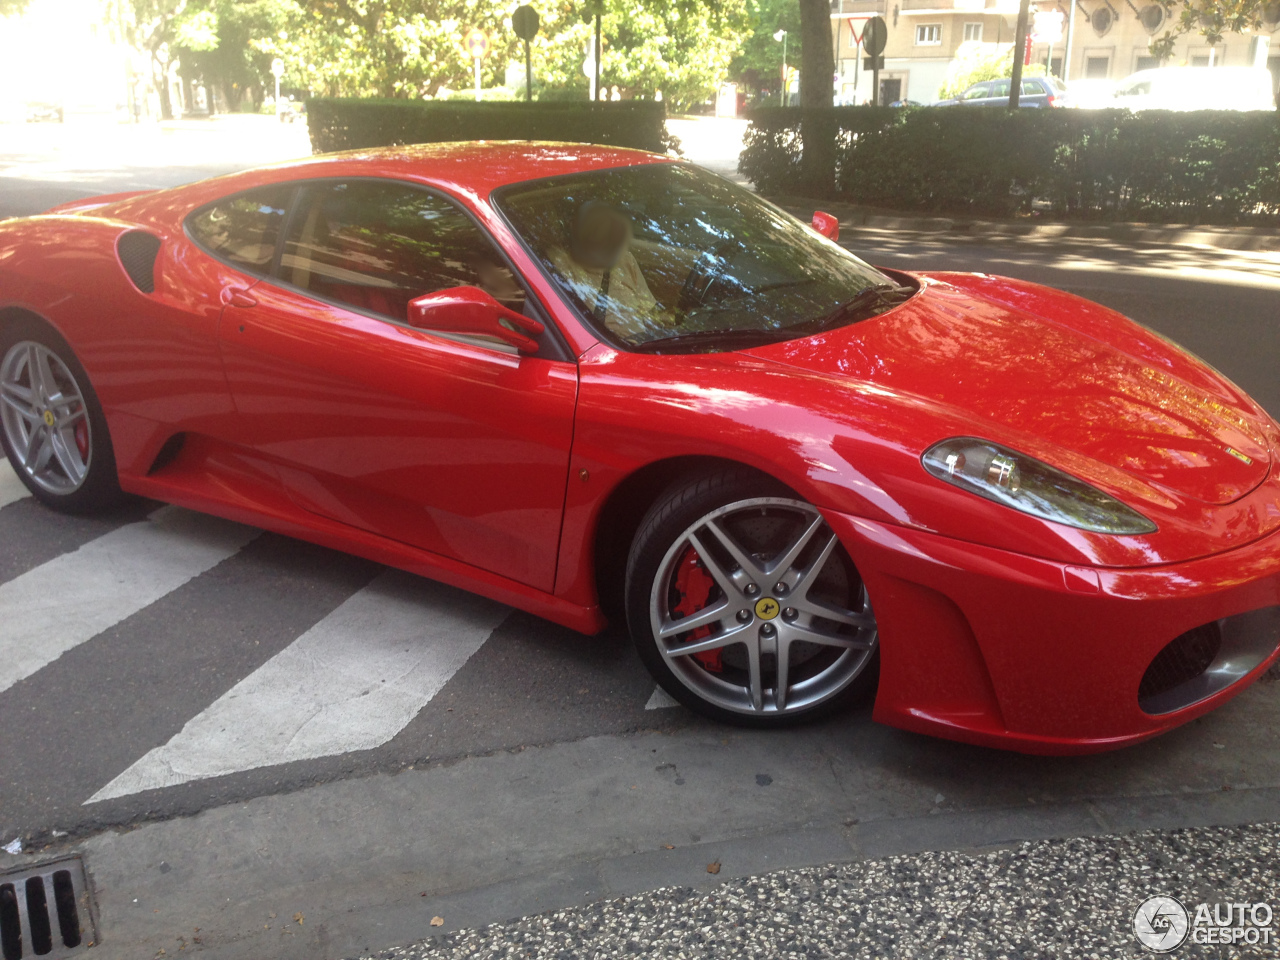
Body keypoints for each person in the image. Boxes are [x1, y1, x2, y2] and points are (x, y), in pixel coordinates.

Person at [547, 201, 671, 340]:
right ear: (573, 226)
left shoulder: (624, 258)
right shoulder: (558, 262)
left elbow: (648, 312)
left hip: (640, 344)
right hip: (601, 348)